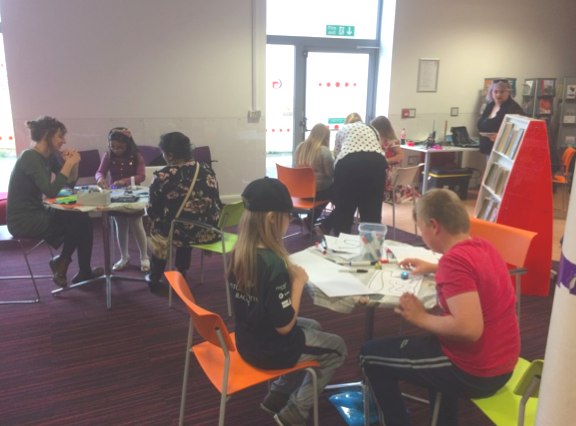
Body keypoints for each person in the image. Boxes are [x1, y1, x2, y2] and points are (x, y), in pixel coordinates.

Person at [359, 189, 520, 426]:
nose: (421, 234)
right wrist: (434, 266)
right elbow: (475, 275)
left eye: (421, 228)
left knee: (369, 355)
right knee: (431, 345)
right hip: (505, 361)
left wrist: (420, 317)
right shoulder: (484, 247)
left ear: (434, 226)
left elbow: (469, 329)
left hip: (476, 371)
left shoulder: (453, 263)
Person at [228, 177, 347, 426]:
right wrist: (297, 284)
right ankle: (294, 411)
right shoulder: (274, 265)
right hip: (269, 349)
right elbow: (284, 326)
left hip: (247, 338)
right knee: (338, 348)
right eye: (287, 216)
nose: (290, 221)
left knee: (314, 326)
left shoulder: (239, 252)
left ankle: (277, 395)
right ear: (273, 218)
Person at [7, 116, 102, 287]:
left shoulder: (48, 156)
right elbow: (50, 191)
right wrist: (68, 164)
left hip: (37, 212)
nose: (63, 141)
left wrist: (74, 164)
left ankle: (74, 267)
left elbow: (70, 182)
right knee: (80, 220)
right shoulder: (29, 157)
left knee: (83, 218)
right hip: (22, 220)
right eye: (60, 136)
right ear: (46, 135)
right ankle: (65, 263)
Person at [145, 132, 222, 292]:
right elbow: (216, 200)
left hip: (178, 231)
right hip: (207, 230)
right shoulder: (207, 169)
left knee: (163, 225)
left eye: (163, 153)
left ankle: (154, 277)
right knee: (186, 220)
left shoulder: (163, 175)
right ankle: (181, 268)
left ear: (170, 155)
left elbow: (153, 210)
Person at [95, 127, 150, 272]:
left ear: (128, 144)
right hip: (116, 196)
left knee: (137, 225)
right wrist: (100, 178)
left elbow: (141, 176)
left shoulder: (136, 155)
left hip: (133, 195)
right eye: (112, 146)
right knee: (120, 225)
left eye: (120, 147)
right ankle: (124, 257)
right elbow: (100, 171)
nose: (116, 150)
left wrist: (124, 181)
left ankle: (144, 257)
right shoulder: (108, 155)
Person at [332, 115, 388, 235]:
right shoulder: (372, 129)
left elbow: (337, 154)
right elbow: (377, 146)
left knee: (344, 212)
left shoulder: (343, 130)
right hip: (376, 164)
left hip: (348, 165)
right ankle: (371, 248)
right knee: (372, 212)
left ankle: (341, 246)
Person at [294, 123, 335, 234]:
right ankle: (326, 226)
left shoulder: (300, 147)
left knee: (325, 193)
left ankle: (310, 220)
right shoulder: (324, 151)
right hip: (318, 192)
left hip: (302, 193)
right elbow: (330, 174)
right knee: (345, 198)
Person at [478, 79, 524, 158]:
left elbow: (520, 133)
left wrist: (501, 137)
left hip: (504, 153)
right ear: (491, 92)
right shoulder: (490, 105)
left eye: (502, 92)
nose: (498, 94)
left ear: (508, 92)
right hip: (490, 150)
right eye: (495, 91)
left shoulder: (514, 109)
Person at [371, 116, 406, 203]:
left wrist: (388, 160)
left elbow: (401, 155)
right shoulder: (377, 141)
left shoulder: (391, 142)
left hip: (390, 169)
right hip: (382, 167)